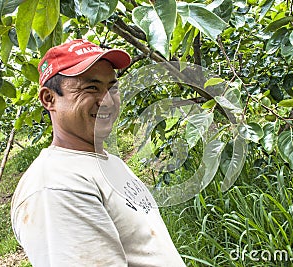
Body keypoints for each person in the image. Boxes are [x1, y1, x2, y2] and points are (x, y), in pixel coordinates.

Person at [10, 39, 186, 267]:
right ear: (49, 98)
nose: (108, 101)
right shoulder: (57, 185)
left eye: (112, 88)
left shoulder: (106, 161)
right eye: (91, 88)